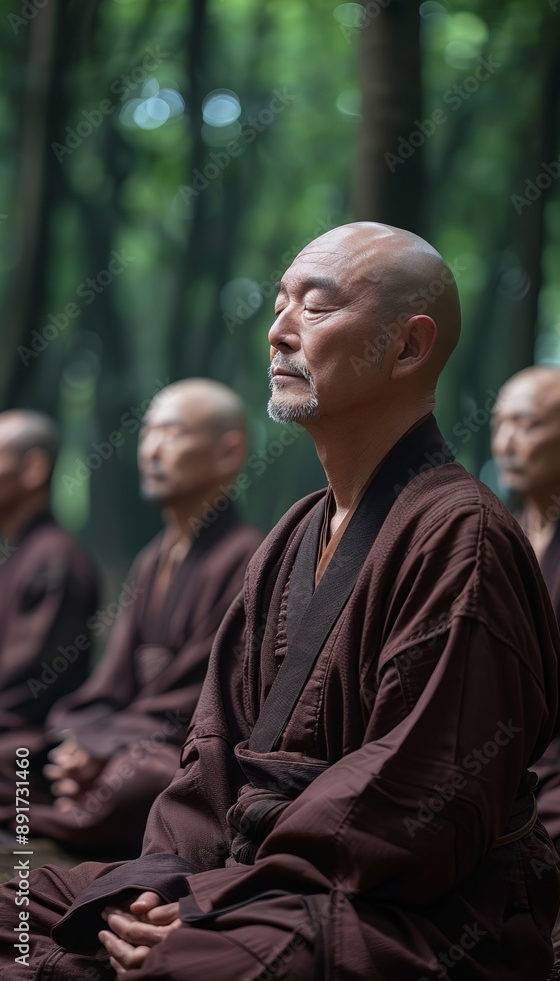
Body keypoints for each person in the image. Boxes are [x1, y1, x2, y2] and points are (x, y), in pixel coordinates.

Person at [1, 224, 559, 981]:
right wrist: (158, 881)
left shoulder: (462, 538)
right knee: (26, 902)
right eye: (279, 304)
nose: (278, 330)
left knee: (192, 960)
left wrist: (208, 902)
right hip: (252, 878)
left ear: (407, 347)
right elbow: (208, 753)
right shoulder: (294, 533)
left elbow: (419, 804)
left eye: (316, 308)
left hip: (396, 907)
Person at [16, 379, 263, 856]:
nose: (151, 448)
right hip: (133, 738)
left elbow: (206, 696)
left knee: (141, 779)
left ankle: (49, 812)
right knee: (43, 752)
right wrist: (84, 739)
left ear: (228, 452)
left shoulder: (249, 555)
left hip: (186, 749)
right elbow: (113, 681)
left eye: (171, 433)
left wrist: (106, 748)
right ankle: (67, 801)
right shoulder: (152, 558)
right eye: (147, 433)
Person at [0, 411, 98, 820]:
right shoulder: (17, 554)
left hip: (24, 744)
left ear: (33, 468)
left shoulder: (56, 561)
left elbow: (23, 689)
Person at [492, 366, 560, 848]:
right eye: (499, 425)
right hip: (499, 769)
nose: (507, 443)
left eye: (527, 424)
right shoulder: (504, 535)